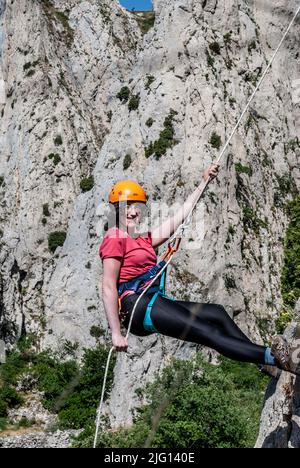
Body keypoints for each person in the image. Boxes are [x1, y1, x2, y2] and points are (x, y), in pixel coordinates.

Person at [99, 166, 300, 377]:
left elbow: (178, 218)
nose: (133, 211)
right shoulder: (114, 237)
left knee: (217, 314)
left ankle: (263, 362)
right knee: (208, 332)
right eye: (126, 206)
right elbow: (108, 286)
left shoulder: (141, 239)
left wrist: (204, 182)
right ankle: (276, 358)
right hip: (137, 305)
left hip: (151, 299)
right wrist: (116, 332)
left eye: (136, 205)